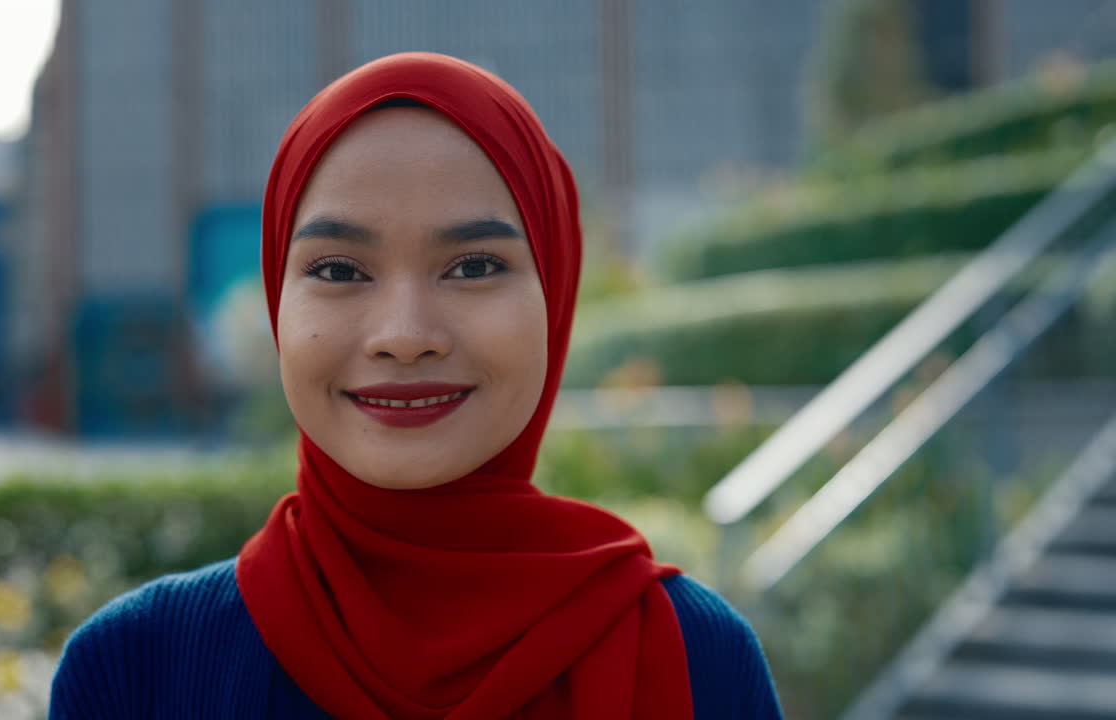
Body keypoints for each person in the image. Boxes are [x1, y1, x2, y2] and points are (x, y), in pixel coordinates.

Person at [48, 51, 783, 719]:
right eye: (338, 270)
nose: (403, 334)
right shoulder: (135, 672)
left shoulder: (698, 659)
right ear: (277, 300)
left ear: (554, 297)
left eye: (473, 266)